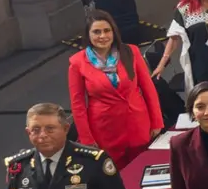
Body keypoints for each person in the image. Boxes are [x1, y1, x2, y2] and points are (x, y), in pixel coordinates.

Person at [67, 10, 163, 168]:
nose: (103, 36)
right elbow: (77, 105)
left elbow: (148, 88)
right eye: (96, 32)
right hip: (105, 131)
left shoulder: (131, 52)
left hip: (137, 125)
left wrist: (156, 121)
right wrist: (87, 139)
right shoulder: (77, 63)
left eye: (107, 30)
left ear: (114, 32)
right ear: (88, 35)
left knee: (141, 171)